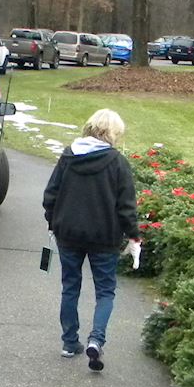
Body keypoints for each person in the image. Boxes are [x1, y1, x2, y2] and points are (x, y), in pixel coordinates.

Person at [41, 109, 140, 372]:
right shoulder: (117, 163)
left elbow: (50, 194)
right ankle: (96, 339)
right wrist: (134, 235)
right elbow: (126, 206)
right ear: (113, 133)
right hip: (104, 238)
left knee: (70, 286)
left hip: (68, 234)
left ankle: (69, 342)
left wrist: (53, 222)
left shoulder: (68, 156)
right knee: (105, 291)